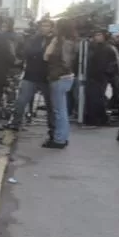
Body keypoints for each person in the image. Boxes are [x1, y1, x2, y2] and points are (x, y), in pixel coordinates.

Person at [8, 17, 55, 139]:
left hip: (47, 76)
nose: (44, 28)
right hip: (31, 74)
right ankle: (15, 123)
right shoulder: (34, 39)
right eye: (43, 26)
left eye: (47, 26)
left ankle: (53, 127)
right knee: (21, 101)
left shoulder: (54, 40)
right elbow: (28, 52)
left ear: (51, 27)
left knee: (51, 104)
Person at [43, 19, 78, 149]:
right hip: (65, 77)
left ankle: (59, 140)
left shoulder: (62, 42)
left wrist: (53, 41)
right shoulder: (71, 41)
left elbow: (46, 56)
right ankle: (62, 137)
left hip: (59, 78)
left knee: (59, 111)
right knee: (61, 110)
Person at [84, 29, 119, 126]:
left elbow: (112, 63)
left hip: (100, 77)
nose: (97, 37)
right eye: (96, 35)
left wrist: (107, 73)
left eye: (99, 35)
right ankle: (97, 118)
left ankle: (97, 119)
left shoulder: (107, 48)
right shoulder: (94, 47)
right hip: (94, 76)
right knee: (94, 97)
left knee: (97, 97)